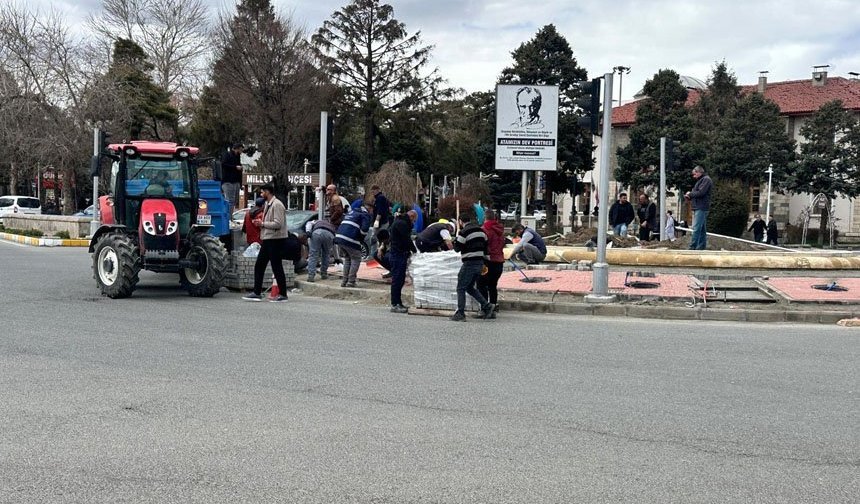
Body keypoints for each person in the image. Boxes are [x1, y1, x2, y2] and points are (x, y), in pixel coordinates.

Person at [242, 183, 288, 303]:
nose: (261, 194)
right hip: (268, 238)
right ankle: (257, 292)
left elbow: (278, 223)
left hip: (275, 239)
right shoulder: (268, 204)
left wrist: (262, 224)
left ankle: (283, 294)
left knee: (276, 266)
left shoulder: (277, 204)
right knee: (260, 264)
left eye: (263, 192)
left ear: (268, 192)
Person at [451, 211, 495, 322]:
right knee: (470, 287)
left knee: (460, 287)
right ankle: (487, 306)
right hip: (480, 263)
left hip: (469, 263)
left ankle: (460, 313)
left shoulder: (463, 232)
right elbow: (486, 248)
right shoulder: (481, 231)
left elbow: (457, 248)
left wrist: (455, 240)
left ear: (460, 222)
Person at [334, 200, 373, 287]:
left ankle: (344, 281)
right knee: (356, 259)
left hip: (339, 237)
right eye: (372, 210)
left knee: (347, 259)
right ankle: (351, 281)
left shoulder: (352, 212)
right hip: (350, 238)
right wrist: (361, 238)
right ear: (369, 208)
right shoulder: (365, 215)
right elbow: (364, 229)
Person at [388, 209, 418, 313]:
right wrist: (414, 250)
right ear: (412, 217)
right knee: (397, 280)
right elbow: (406, 239)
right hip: (398, 254)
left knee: (399, 280)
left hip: (399, 253)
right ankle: (395, 304)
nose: (413, 224)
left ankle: (398, 302)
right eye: (414, 221)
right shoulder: (402, 224)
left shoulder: (399, 221)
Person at [477, 209, 505, 314]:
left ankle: (485, 307)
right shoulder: (500, 230)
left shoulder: (484, 230)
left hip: (488, 261)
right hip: (499, 261)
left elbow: (482, 245)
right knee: (493, 285)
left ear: (485, 218)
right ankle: (493, 304)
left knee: (481, 284)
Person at [685, 165, 713, 250]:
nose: (694, 176)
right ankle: (701, 246)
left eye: (694, 174)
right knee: (701, 229)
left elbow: (701, 192)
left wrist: (690, 194)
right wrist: (690, 195)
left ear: (699, 172)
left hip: (701, 207)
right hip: (699, 206)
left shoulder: (706, 180)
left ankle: (692, 247)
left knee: (696, 228)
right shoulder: (701, 180)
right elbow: (697, 192)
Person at [306, 218, 337, 282]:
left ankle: (311, 276)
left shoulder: (317, 221)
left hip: (317, 233)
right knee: (326, 254)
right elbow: (335, 245)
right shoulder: (331, 225)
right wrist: (337, 257)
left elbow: (309, 223)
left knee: (313, 255)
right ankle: (324, 274)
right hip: (329, 235)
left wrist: (308, 231)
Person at [220, 143, 243, 214]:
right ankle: (228, 218)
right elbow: (223, 164)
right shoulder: (227, 155)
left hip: (236, 181)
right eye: (241, 149)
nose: (241, 151)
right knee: (230, 200)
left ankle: (230, 216)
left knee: (234, 200)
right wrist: (235, 167)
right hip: (228, 181)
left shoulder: (238, 156)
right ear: (237, 148)